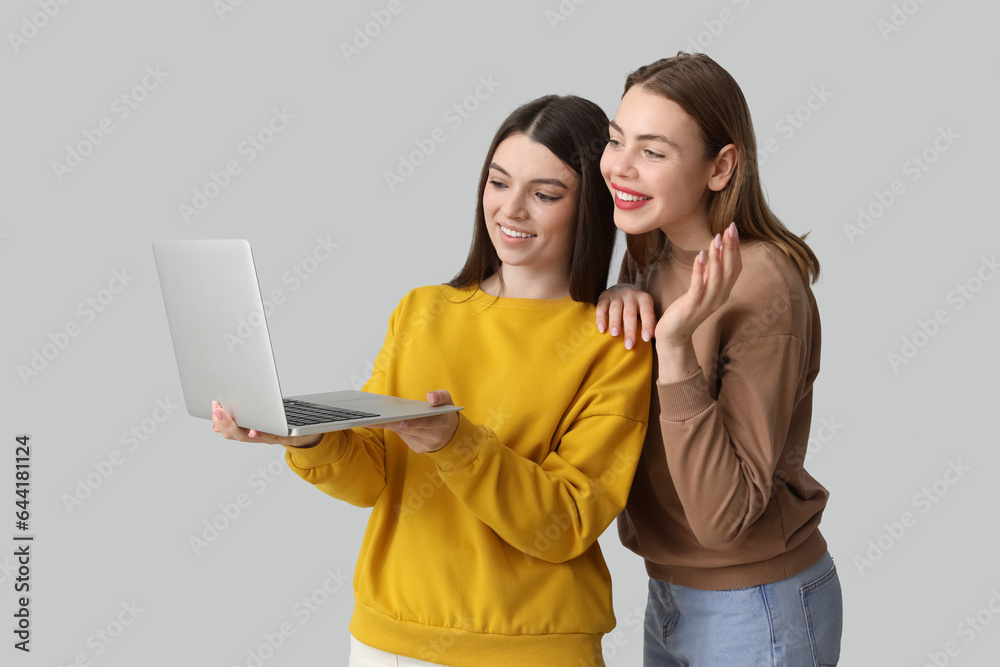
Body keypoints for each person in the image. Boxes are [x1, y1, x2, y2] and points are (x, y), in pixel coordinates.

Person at [212, 95, 652, 667]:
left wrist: (455, 444)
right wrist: (307, 438)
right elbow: (374, 477)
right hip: (386, 642)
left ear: (590, 206)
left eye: (544, 194)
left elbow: (568, 522)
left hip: (529, 650)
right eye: (498, 183)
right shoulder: (422, 311)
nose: (511, 210)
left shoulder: (614, 341)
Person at [595, 53, 843, 666]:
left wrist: (674, 348)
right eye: (616, 140)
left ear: (721, 167)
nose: (620, 167)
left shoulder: (763, 289)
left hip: (759, 605)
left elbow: (722, 518)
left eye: (653, 152)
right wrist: (619, 295)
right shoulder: (650, 254)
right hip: (672, 591)